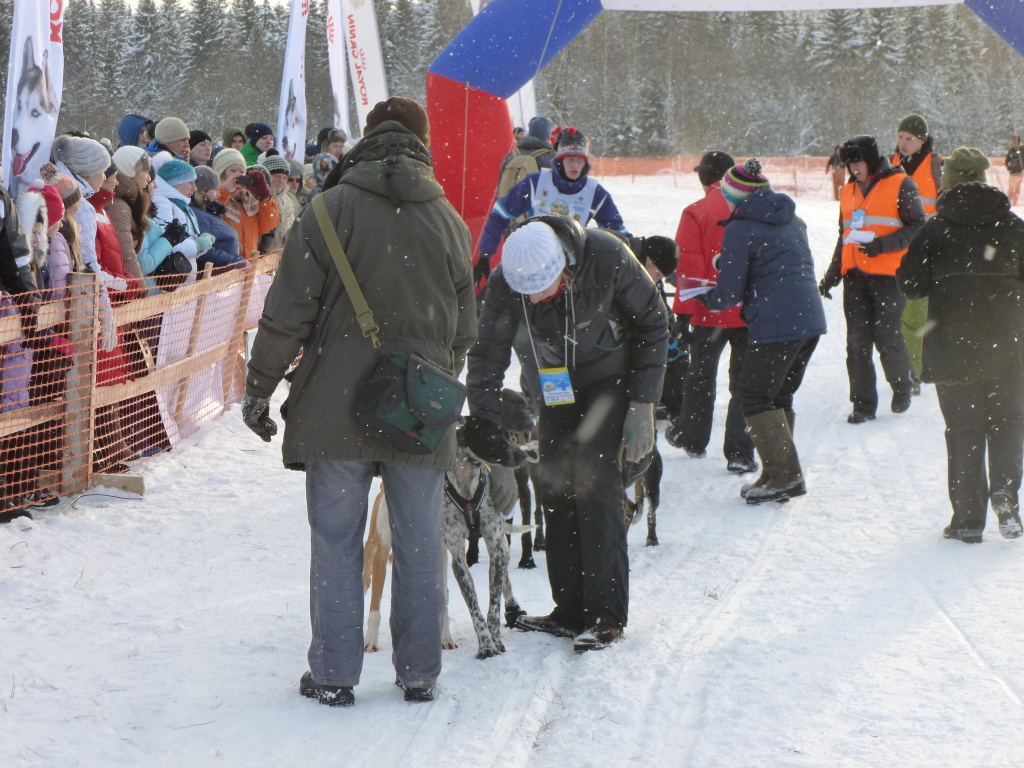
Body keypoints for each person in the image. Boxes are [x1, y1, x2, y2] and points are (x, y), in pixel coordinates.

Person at [242, 96, 476, 706]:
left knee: (337, 540)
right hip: (418, 411)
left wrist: (259, 386)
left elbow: (287, 312)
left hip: (333, 403)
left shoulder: (328, 210)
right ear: (422, 143)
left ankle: (333, 673)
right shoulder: (448, 219)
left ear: (366, 140)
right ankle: (419, 673)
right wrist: (428, 382)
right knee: (420, 542)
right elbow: (464, 328)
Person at [466, 215, 668, 652]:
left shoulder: (607, 256)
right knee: (554, 484)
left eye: (543, 288)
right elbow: (487, 353)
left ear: (565, 265)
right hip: (556, 382)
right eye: (527, 291)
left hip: (612, 378)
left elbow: (654, 322)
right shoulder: (506, 282)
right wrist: (483, 419)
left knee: (594, 481)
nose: (534, 298)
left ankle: (605, 615)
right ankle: (570, 609)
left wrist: (643, 404)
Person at [897, 147, 1024, 543]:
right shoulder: (1014, 227)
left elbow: (910, 285)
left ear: (948, 183)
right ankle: (1005, 492)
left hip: (954, 349)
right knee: (1008, 423)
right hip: (1009, 347)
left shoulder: (935, 230)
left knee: (964, 430)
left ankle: (968, 520)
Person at [695, 159, 826, 504]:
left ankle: (785, 476)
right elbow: (780, 262)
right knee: (778, 396)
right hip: (809, 319)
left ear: (735, 196)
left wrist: (708, 297)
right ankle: (776, 472)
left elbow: (729, 293)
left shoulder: (740, 228)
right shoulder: (793, 220)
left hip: (776, 322)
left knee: (752, 396)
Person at [818, 135, 923, 424]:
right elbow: (844, 237)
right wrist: (832, 275)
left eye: (858, 162)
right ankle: (863, 405)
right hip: (855, 277)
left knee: (886, 336)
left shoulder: (902, 184)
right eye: (849, 164)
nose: (854, 169)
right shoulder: (848, 190)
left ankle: (902, 385)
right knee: (857, 343)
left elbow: (917, 227)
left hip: (889, 276)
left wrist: (882, 245)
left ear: (872, 160)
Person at [666, 150, 757, 474]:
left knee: (700, 376)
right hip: (748, 310)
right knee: (744, 382)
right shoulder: (752, 208)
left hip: (709, 312)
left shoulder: (696, 212)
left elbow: (688, 270)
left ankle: (692, 437)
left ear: (704, 178)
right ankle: (740, 452)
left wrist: (682, 314)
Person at [473, 126, 630, 291]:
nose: (575, 166)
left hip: (572, 273)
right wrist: (485, 256)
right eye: (570, 159)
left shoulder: (595, 193)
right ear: (560, 159)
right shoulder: (536, 183)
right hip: (534, 267)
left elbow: (618, 232)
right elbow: (500, 214)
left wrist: (638, 254)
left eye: (580, 160)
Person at [892, 114, 942, 395]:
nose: (903, 143)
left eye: (909, 138)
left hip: (927, 251)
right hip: (895, 249)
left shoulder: (935, 165)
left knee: (916, 314)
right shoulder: (890, 164)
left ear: (922, 141)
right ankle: (909, 369)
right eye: (900, 137)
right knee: (897, 315)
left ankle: (917, 370)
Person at [212, 148, 279, 259]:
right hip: (224, 263)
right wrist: (224, 191)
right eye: (233, 170)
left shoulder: (248, 199)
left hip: (248, 263)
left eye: (241, 171)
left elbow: (268, 225)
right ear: (221, 174)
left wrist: (265, 197)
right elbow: (211, 214)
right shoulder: (214, 195)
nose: (238, 175)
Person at [260, 154, 301, 252]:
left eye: (285, 177)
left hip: (280, 254)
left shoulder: (289, 201)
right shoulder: (259, 197)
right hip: (261, 253)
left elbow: (292, 225)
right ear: (266, 176)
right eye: (277, 176)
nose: (281, 181)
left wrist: (290, 233)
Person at [1006, 133, 1023, 206]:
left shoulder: (1021, 150)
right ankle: (1009, 202)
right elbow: (1007, 160)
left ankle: (1014, 202)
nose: (1012, 143)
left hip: (1019, 172)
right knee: (1011, 188)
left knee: (1016, 188)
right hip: (1012, 172)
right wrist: (1009, 168)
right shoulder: (1011, 150)